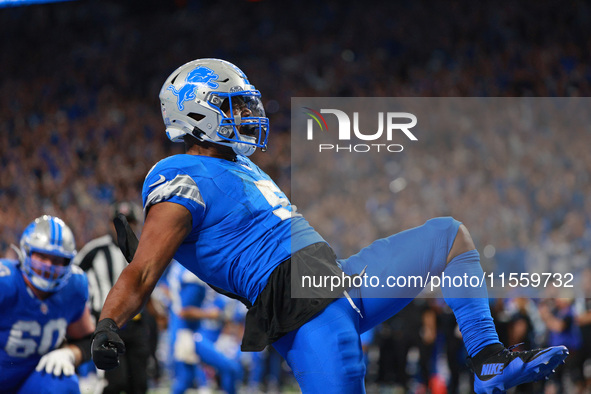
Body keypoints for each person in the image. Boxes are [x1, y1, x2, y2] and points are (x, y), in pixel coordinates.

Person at [91, 58, 569, 393]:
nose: (246, 115)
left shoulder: (238, 164)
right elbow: (141, 273)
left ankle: (486, 359)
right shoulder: (178, 176)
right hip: (302, 307)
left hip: (335, 280)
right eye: (231, 105)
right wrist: (107, 323)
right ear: (195, 112)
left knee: (449, 236)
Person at [0, 215, 95, 393]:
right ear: (26, 252)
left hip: (31, 382)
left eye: (57, 260)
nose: (48, 266)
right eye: (42, 256)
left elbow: (86, 339)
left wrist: (69, 354)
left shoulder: (74, 286)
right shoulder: (5, 282)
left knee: (63, 381)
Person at [74, 202, 160, 394]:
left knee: (139, 384)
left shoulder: (142, 252)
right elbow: (72, 275)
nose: (126, 226)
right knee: (113, 382)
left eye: (130, 221)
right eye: (121, 222)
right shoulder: (96, 249)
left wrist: (156, 314)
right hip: (107, 322)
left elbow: (148, 285)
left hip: (136, 323)